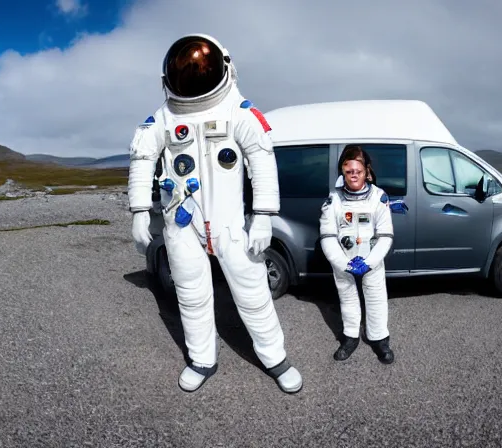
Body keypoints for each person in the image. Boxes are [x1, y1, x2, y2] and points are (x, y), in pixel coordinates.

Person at [127, 33, 303, 394]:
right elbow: (143, 160)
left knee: (253, 293)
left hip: (229, 222)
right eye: (185, 69)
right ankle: (201, 358)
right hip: (181, 220)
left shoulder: (239, 113)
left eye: (201, 67)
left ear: (224, 67)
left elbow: (262, 160)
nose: (193, 76)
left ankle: (275, 358)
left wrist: (264, 214)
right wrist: (140, 209)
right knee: (190, 294)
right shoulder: (162, 118)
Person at [318, 145, 395, 364]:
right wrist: (342, 263)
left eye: (358, 171)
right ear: (342, 170)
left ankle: (379, 338)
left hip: (372, 261)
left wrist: (369, 262)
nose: (354, 175)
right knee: (348, 299)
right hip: (344, 262)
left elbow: (386, 235)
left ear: (366, 171)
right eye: (348, 170)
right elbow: (327, 235)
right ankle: (350, 337)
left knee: (376, 299)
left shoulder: (379, 198)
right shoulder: (333, 200)